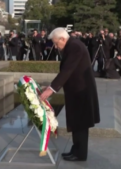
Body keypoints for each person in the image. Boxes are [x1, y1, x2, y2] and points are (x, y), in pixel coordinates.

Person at [40, 28, 100, 162]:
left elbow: (66, 71)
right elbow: (67, 71)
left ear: (62, 39)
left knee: (81, 123)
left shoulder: (75, 47)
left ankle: (80, 154)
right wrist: (50, 86)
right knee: (76, 121)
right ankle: (76, 149)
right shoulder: (72, 45)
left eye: (56, 43)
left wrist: (51, 90)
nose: (56, 47)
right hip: (76, 90)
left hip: (81, 91)